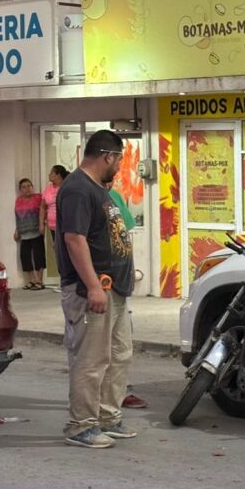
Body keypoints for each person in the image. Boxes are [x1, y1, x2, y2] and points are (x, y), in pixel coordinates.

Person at [56, 131, 137, 448]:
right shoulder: (77, 189)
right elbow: (74, 239)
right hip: (91, 290)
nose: (118, 166)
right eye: (119, 159)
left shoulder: (97, 189)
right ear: (108, 156)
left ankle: (107, 417)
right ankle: (82, 425)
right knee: (91, 360)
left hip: (114, 289)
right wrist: (93, 286)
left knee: (118, 356)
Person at [103, 173, 147, 411]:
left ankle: (118, 394)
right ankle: (89, 409)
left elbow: (125, 234)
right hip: (98, 286)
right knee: (95, 351)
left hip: (119, 283)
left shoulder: (114, 197)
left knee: (121, 347)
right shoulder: (83, 196)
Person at [14, 178, 46, 290]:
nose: (27, 188)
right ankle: (31, 280)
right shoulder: (18, 200)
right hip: (24, 233)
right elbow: (17, 217)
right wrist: (17, 230)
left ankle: (39, 281)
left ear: (32, 187)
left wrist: (43, 224)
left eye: (29, 186)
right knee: (25, 257)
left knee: (38, 255)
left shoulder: (39, 197)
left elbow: (44, 211)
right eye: (24, 187)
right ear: (20, 189)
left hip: (36, 231)